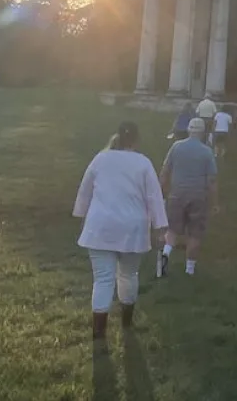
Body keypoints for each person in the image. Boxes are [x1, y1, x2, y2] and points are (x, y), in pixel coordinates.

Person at [73, 121, 168, 342]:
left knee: (103, 279)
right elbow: (154, 196)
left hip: (101, 225)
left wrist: (81, 215)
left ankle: (99, 331)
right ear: (136, 140)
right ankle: (126, 321)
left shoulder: (100, 158)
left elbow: (85, 189)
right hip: (132, 227)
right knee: (128, 274)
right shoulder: (143, 163)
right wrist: (159, 227)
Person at [159, 118, 219, 276]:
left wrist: (162, 191)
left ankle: (165, 254)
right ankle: (189, 269)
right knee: (195, 233)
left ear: (188, 130)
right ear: (202, 132)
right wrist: (214, 202)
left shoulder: (176, 147)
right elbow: (211, 180)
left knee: (172, 230)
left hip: (177, 194)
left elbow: (165, 171)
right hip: (198, 195)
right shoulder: (207, 151)